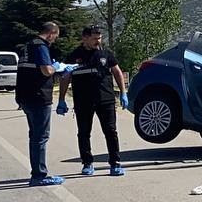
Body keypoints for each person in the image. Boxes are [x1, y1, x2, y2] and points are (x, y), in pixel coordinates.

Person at [56, 25, 128, 177]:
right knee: (83, 132)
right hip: (83, 101)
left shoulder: (105, 54)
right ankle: (87, 163)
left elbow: (117, 72)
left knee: (110, 132)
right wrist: (61, 99)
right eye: (95, 38)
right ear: (85, 38)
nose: (98, 41)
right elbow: (65, 77)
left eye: (100, 38)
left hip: (106, 100)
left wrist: (123, 93)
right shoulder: (74, 56)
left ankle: (115, 163)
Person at [15, 22, 75, 186]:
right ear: (51, 33)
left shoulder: (28, 46)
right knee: (40, 137)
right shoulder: (41, 46)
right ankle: (39, 175)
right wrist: (57, 67)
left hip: (25, 96)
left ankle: (37, 172)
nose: (55, 40)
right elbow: (46, 71)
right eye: (55, 36)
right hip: (39, 96)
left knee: (34, 136)